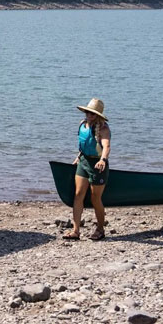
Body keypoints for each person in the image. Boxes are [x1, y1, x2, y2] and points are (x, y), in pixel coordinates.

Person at [64, 98, 111, 241]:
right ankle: (75, 231)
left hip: (98, 165)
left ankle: (100, 229)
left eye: (92, 114)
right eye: (87, 113)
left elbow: (106, 147)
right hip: (83, 162)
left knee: (95, 198)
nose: (89, 116)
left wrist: (103, 160)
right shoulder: (82, 125)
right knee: (78, 195)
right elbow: (84, 144)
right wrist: (78, 157)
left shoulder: (103, 128)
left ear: (98, 115)